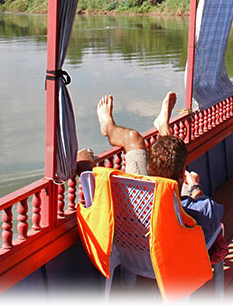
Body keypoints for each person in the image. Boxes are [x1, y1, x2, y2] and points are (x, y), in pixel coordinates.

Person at [95, 91, 225, 249]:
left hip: (139, 242)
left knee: (133, 139)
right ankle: (164, 128)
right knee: (174, 159)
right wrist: (195, 188)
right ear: (182, 177)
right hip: (170, 255)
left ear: (148, 169)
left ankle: (109, 127)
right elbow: (213, 215)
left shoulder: (138, 198)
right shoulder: (200, 210)